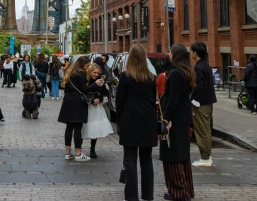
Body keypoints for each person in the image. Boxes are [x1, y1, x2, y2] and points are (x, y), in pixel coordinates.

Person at [116, 45, 158, 201]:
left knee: (130, 160)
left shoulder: (126, 77)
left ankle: (132, 196)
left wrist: (120, 121)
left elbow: (119, 102)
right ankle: (148, 195)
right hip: (148, 121)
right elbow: (154, 100)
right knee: (146, 160)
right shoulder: (151, 78)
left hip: (130, 120)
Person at [160, 43, 196, 201]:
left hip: (174, 118)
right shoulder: (187, 72)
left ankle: (178, 191)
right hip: (183, 116)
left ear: (174, 55)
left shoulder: (176, 74)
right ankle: (186, 188)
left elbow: (173, 99)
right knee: (182, 153)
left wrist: (165, 117)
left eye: (170, 52)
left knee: (172, 153)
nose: (168, 55)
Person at [58, 55, 101, 161]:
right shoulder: (80, 73)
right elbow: (85, 89)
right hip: (77, 103)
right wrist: (95, 84)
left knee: (69, 128)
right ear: (83, 65)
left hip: (68, 102)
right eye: (87, 65)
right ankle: (78, 153)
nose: (87, 67)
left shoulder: (70, 72)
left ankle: (67, 153)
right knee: (77, 128)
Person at [190, 42, 216, 167]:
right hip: (208, 101)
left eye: (192, 51)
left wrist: (194, 99)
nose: (191, 53)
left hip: (201, 103)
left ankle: (205, 158)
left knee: (201, 129)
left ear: (196, 52)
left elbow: (198, 85)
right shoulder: (206, 65)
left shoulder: (198, 67)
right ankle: (207, 156)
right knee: (206, 129)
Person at [83, 61, 113, 159]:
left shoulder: (100, 81)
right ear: (90, 72)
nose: (95, 75)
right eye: (94, 72)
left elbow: (105, 93)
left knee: (94, 127)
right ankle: (79, 148)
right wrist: (91, 100)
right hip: (86, 106)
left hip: (96, 107)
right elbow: (84, 91)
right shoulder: (85, 80)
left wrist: (99, 99)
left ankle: (92, 149)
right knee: (83, 127)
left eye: (97, 73)